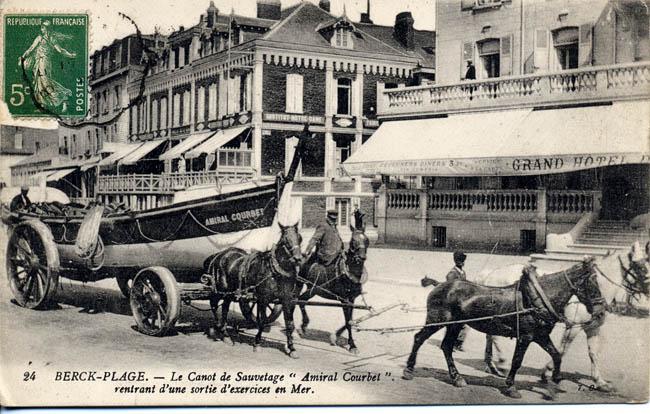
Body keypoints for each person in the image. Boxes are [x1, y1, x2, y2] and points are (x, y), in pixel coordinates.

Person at [303, 209, 348, 277]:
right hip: (326, 255)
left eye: (334, 219)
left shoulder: (334, 227)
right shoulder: (323, 226)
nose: (333, 221)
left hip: (337, 254)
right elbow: (314, 239)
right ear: (328, 217)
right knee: (307, 265)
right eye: (331, 219)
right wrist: (307, 250)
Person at [446, 251, 468, 351]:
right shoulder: (452, 274)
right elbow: (450, 288)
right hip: (455, 302)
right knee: (453, 324)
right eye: (460, 261)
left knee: (465, 324)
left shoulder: (463, 272)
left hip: (463, 301)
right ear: (456, 261)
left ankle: (458, 343)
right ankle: (451, 343)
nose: (462, 263)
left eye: (463, 261)